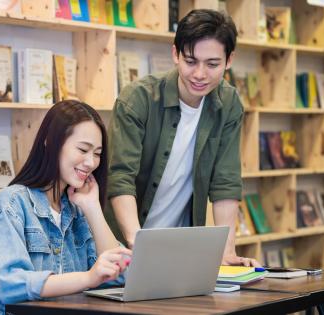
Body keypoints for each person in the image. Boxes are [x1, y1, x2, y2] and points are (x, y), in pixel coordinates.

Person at [106, 9, 260, 267]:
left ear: (229, 60)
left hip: (180, 249)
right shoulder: (138, 99)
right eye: (191, 61)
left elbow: (225, 182)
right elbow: (120, 177)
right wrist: (136, 242)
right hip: (121, 246)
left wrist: (226, 252)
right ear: (175, 53)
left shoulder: (229, 103)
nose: (200, 74)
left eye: (212, 64)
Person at [0, 100, 132, 315]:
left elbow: (121, 275)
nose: (91, 162)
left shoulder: (75, 209)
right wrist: (88, 277)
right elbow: (13, 286)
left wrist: (93, 209)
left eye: (97, 153)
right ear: (51, 141)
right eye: (83, 149)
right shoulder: (10, 203)